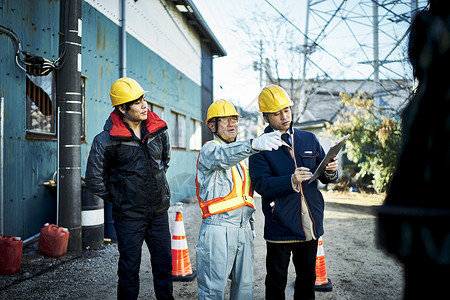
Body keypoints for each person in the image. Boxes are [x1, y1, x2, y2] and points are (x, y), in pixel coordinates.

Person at [85, 77, 174, 300]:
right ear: (122, 108)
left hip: (159, 214)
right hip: (128, 218)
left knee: (164, 267)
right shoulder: (105, 140)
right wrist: (120, 197)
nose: (145, 105)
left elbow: (164, 161)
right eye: (137, 102)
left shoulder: (158, 130)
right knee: (128, 271)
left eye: (144, 99)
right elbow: (94, 178)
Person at [249, 85, 339, 300]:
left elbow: (325, 175)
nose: (284, 116)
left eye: (287, 110)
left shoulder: (308, 139)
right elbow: (261, 184)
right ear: (266, 116)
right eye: (277, 113)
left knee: (307, 280)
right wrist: (290, 180)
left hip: (310, 224)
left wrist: (331, 171)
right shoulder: (260, 146)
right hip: (279, 225)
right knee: (276, 281)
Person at [195, 99, 283, 300]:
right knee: (212, 291)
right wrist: (253, 144)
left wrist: (250, 226)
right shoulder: (210, 150)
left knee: (244, 290)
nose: (232, 124)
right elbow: (223, 156)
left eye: (234, 119)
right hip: (218, 229)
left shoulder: (241, 159)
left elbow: (244, 197)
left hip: (242, 230)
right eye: (225, 120)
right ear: (212, 125)